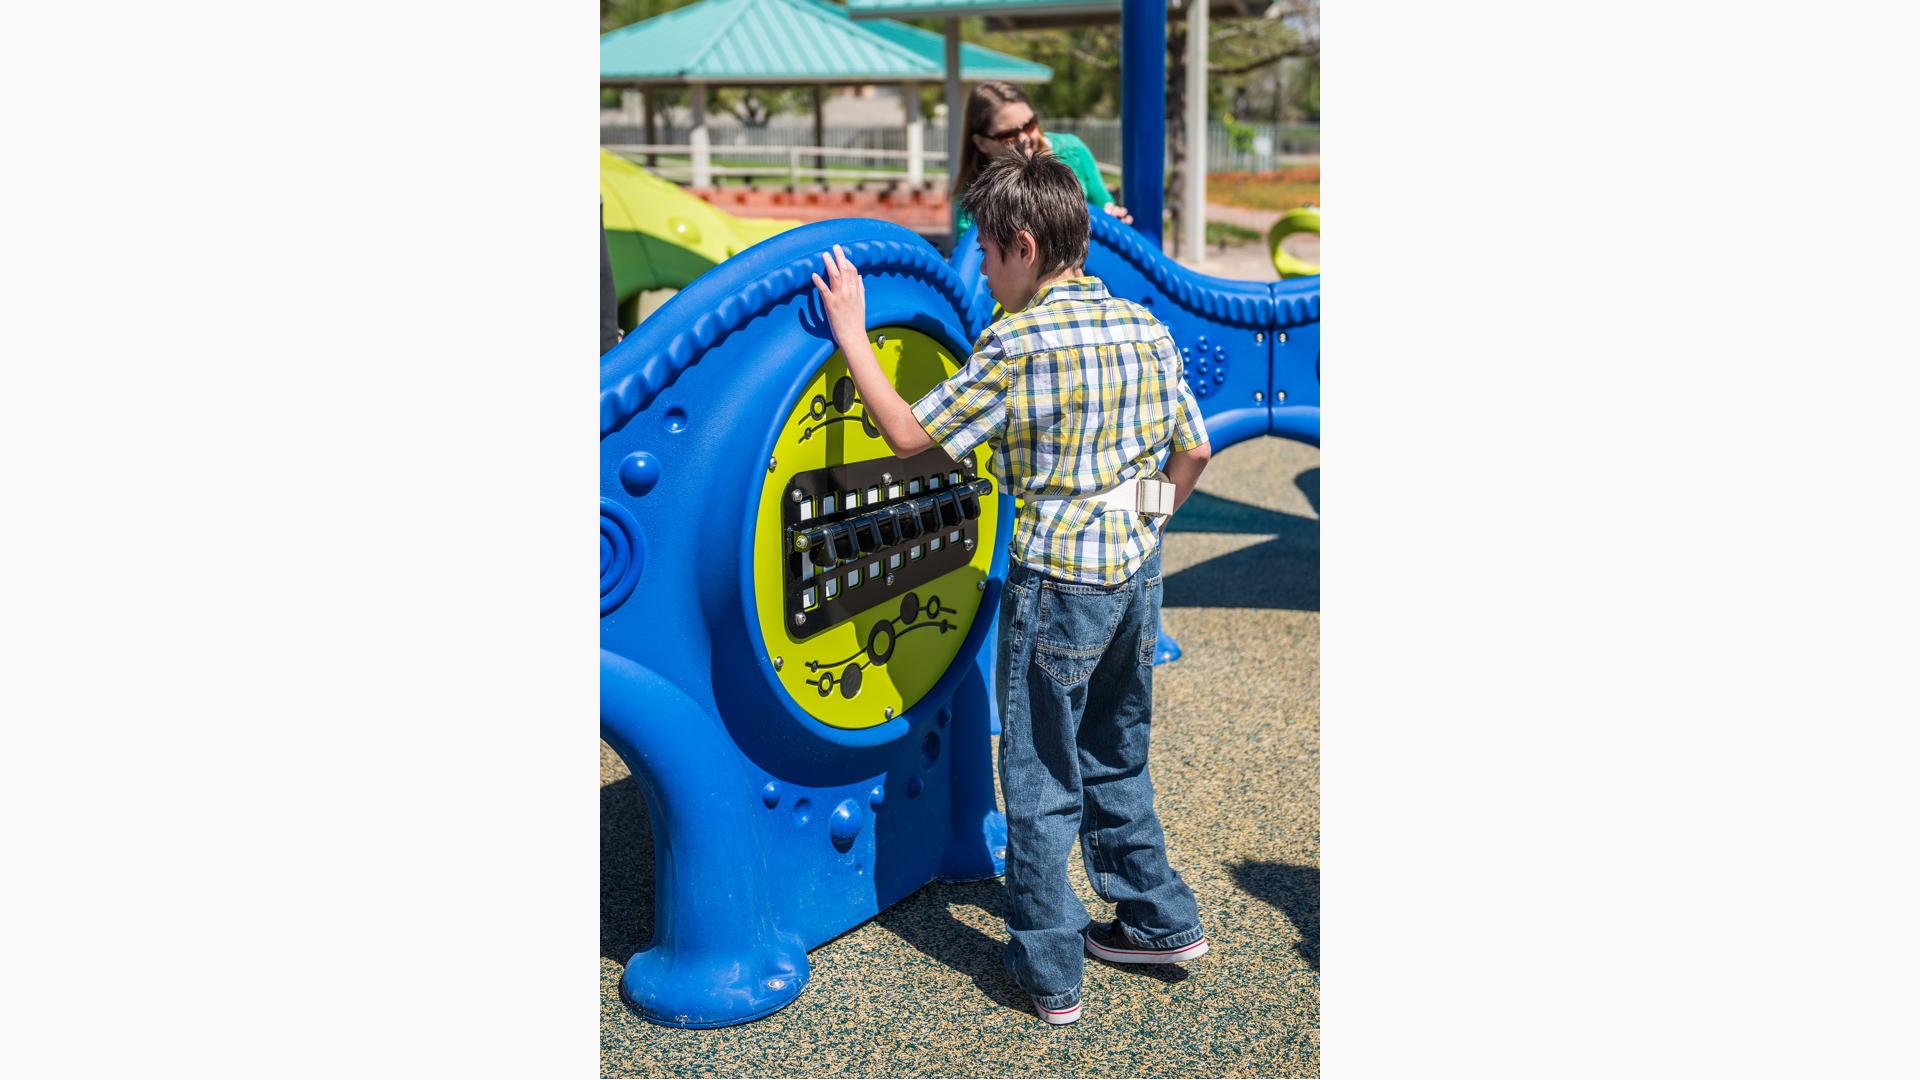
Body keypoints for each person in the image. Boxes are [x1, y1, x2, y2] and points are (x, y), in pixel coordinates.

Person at [813, 152, 1213, 1026]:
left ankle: (1050, 971)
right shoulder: (1143, 327)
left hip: (1058, 582)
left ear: (1023, 246)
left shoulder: (1016, 341)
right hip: (1135, 578)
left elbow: (912, 437)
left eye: (988, 255)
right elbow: (1195, 452)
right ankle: (1157, 918)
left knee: (1036, 780)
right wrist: (1139, 517)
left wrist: (852, 335)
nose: (984, 273)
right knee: (1117, 751)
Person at [951, 80, 1132, 238]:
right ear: (981, 143)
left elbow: (1104, 209)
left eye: (1029, 125)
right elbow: (970, 263)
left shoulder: (1072, 151)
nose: (1025, 139)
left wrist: (1115, 218)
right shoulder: (972, 198)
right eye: (1009, 135)